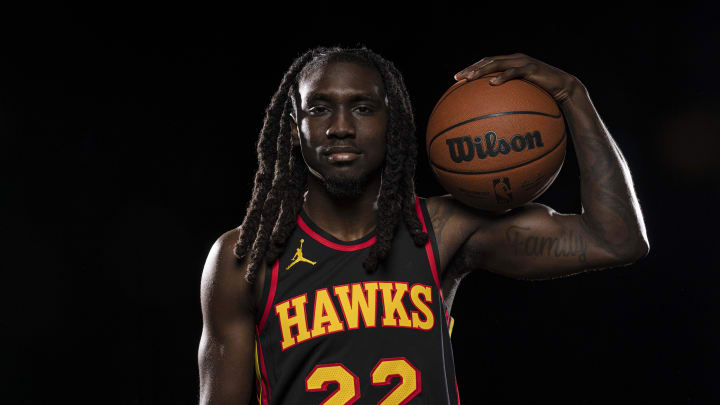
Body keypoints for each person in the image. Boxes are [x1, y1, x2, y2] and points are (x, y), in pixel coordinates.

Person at [197, 46, 649, 405]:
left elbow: (617, 239)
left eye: (362, 108)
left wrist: (573, 95)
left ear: (392, 123)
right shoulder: (245, 257)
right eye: (318, 108)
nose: (340, 127)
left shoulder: (443, 230)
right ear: (293, 128)